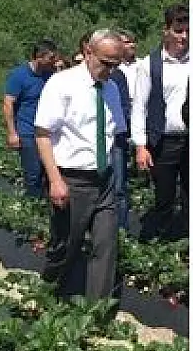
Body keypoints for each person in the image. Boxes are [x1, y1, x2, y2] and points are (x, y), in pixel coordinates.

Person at [34, 29, 127, 300]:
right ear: (88, 52)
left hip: (104, 179)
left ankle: (97, 312)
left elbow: (115, 133)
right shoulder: (61, 84)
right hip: (72, 179)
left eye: (116, 65)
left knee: (106, 245)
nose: (110, 70)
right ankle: (50, 293)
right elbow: (43, 134)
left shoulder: (111, 88)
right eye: (106, 63)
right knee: (66, 246)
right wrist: (55, 180)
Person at [132, 3, 190, 241]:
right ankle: (161, 241)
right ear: (165, 30)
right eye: (178, 30)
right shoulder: (149, 65)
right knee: (164, 195)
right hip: (163, 141)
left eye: (187, 31)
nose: (184, 37)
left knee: (191, 194)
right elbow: (139, 106)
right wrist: (140, 145)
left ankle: (186, 242)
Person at [2, 40, 59, 198]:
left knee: (49, 171)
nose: (54, 61)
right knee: (33, 173)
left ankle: (49, 206)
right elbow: (8, 104)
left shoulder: (50, 74)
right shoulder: (19, 75)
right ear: (39, 57)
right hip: (27, 132)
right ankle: (34, 207)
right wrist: (12, 133)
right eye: (51, 57)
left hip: (47, 131)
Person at [108, 30, 136, 230]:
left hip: (116, 139)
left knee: (119, 186)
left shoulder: (118, 77)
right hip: (91, 141)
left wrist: (126, 132)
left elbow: (124, 106)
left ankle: (121, 230)